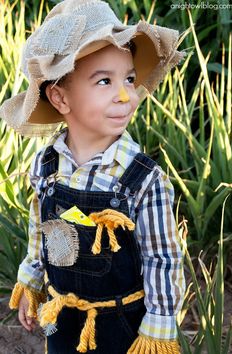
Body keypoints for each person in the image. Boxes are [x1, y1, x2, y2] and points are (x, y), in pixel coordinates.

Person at [0, 0, 186, 353]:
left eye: (129, 79)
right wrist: (31, 278)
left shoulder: (143, 179)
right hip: (63, 316)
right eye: (104, 81)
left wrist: (159, 328)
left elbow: (162, 258)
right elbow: (42, 231)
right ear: (60, 98)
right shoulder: (47, 165)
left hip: (125, 324)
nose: (125, 95)